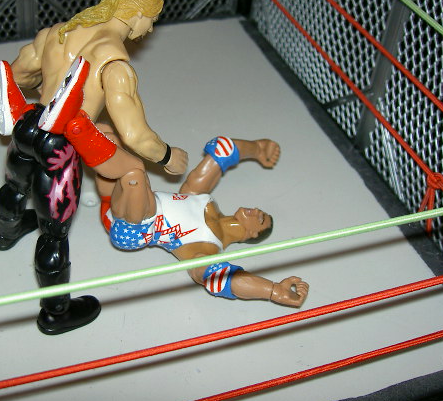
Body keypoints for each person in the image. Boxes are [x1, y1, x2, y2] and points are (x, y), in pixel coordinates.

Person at [0, 0, 188, 335]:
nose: (150, 29)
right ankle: (56, 312)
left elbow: (20, 76)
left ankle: (5, 235)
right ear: (137, 15)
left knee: (15, 186)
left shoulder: (56, 33)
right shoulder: (114, 63)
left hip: (29, 125)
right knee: (54, 234)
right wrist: (169, 156)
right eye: (152, 20)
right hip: (59, 148)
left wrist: (50, 87)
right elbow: (135, 135)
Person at [62, 115, 309, 307]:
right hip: (116, 198)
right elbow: (223, 151)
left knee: (134, 172)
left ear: (252, 234)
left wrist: (273, 290)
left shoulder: (207, 249)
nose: (255, 210)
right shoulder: (203, 200)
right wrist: (258, 148)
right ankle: (68, 135)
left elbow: (222, 280)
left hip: (133, 227)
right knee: (106, 134)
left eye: (260, 218)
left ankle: (74, 134)